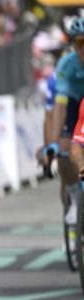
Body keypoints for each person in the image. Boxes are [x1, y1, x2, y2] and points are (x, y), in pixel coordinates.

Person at [61, 17, 84, 266]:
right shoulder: (67, 65)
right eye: (81, 42)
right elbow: (55, 110)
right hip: (73, 107)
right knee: (64, 151)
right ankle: (73, 195)